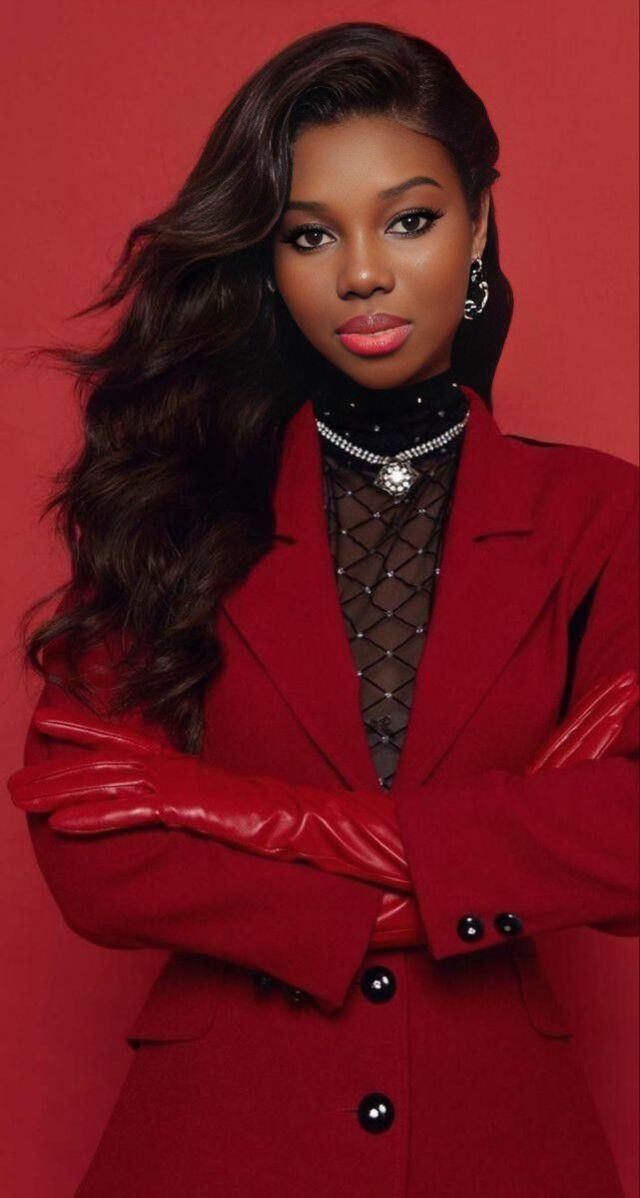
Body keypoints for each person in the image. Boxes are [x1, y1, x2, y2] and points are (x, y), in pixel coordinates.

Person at [7, 21, 638, 1198]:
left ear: (479, 225)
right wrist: (475, 863)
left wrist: (247, 815)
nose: (361, 274)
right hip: (216, 1146)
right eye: (309, 234)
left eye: (408, 220)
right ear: (267, 256)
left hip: (500, 1145)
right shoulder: (174, 504)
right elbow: (94, 850)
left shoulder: (598, 518)